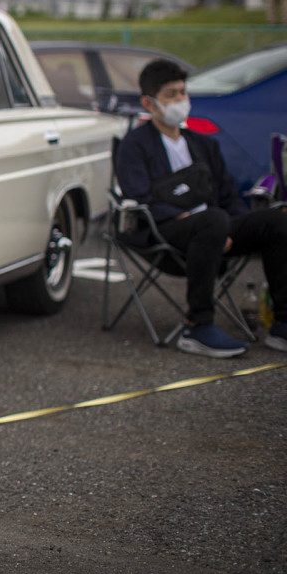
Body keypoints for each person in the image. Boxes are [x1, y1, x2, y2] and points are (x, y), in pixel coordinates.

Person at [116, 58, 287, 358]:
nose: (181, 100)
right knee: (213, 219)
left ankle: (283, 324)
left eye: (183, 92)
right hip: (166, 230)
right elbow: (138, 196)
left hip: (216, 229)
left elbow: (228, 194)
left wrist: (233, 226)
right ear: (149, 102)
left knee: (277, 220)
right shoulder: (135, 144)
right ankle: (197, 326)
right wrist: (202, 220)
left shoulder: (204, 145)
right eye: (171, 95)